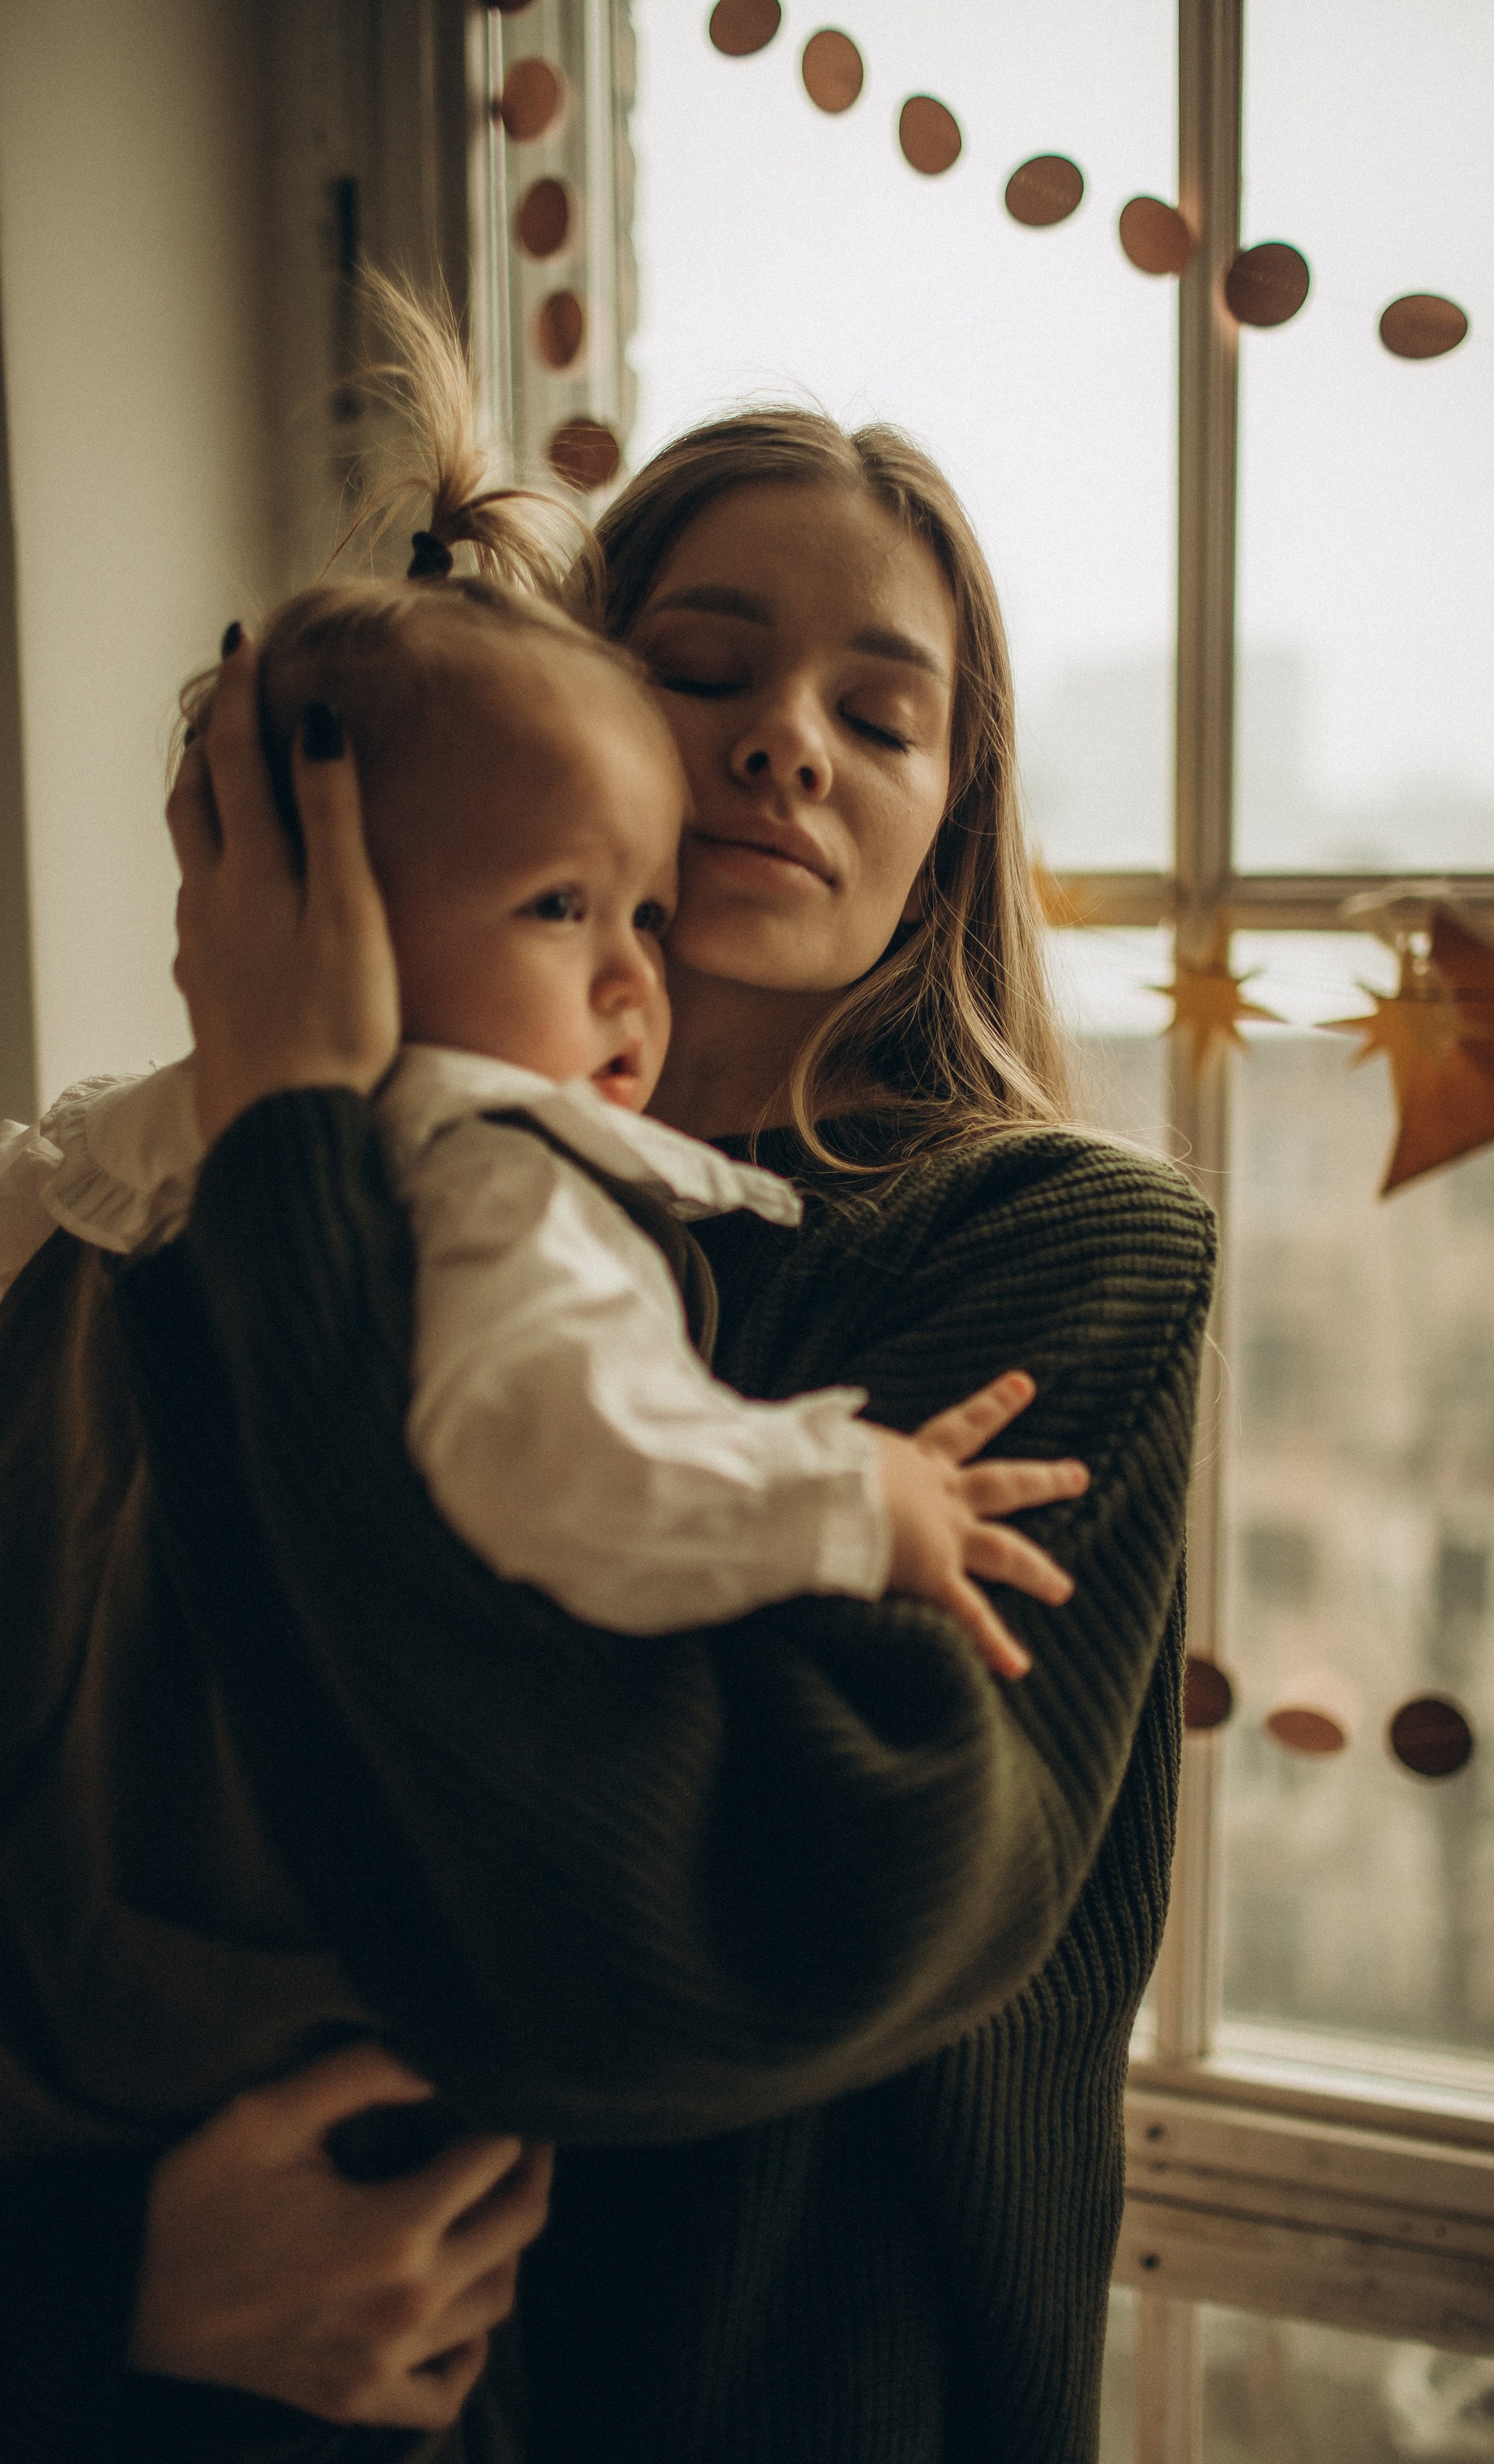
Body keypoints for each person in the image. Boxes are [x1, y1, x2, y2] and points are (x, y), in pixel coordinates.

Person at [1, 352, 1215, 2464]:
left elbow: (675, 1968)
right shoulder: (166, 1213)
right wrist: (107, 2282)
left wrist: (303, 1150)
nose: (779, 744)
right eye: (701, 665)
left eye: (882, 712)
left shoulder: (1051, 1253)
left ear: (953, 834)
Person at [1, 561, 1087, 1658]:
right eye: (562, 906)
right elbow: (573, 1460)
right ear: (327, 895)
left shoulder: (118, 1144)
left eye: (647, 914)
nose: (632, 978)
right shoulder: (502, 1171)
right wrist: (855, 1498)